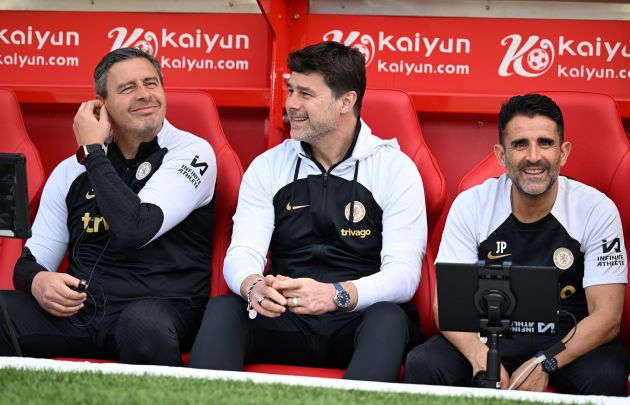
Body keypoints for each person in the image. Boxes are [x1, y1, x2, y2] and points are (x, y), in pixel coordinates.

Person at [188, 41, 426, 382]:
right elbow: (242, 252)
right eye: (290, 90)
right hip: (286, 313)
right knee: (225, 308)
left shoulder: (395, 169)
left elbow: (404, 276)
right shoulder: (269, 165)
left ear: (346, 101)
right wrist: (254, 287)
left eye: (305, 94)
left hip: (355, 316)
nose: (291, 105)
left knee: (389, 318)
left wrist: (335, 295)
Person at [0, 47, 217, 366]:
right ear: (100, 104)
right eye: (128, 88)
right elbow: (31, 261)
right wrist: (38, 282)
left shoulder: (192, 152)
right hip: (80, 312)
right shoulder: (69, 171)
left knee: (141, 324)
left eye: (151, 83)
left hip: (160, 311)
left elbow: (136, 228)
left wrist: (92, 151)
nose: (144, 95)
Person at [404, 93, 628, 395]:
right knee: (425, 363)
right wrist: (479, 355)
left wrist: (546, 361)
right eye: (520, 144)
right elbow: (445, 304)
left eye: (545, 143)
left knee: (605, 374)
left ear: (563, 153)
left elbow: (607, 317)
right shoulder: (472, 204)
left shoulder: (596, 209)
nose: (533, 156)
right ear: (501, 154)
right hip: (492, 335)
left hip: (567, 337)